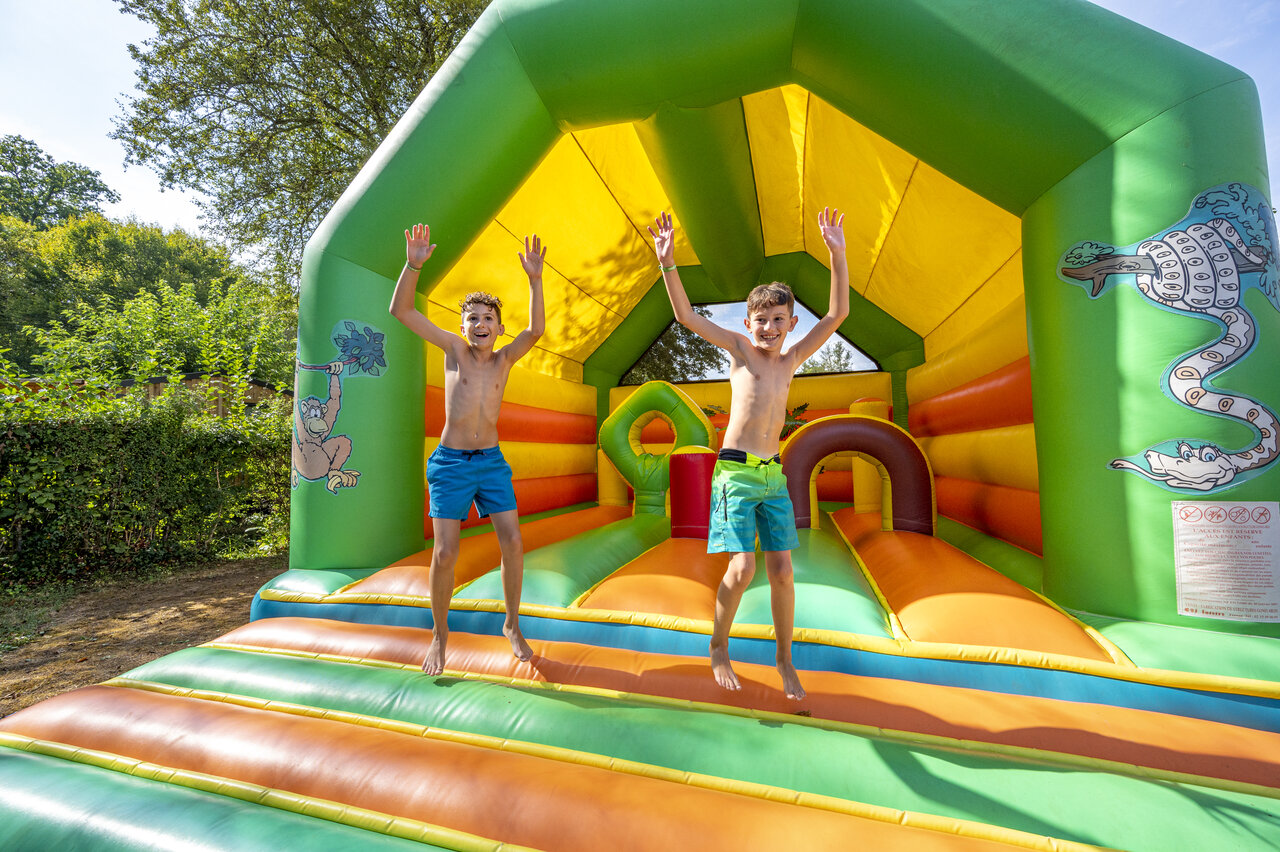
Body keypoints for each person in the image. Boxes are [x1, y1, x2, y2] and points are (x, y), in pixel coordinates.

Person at [648, 208, 849, 700]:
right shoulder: (739, 349)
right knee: (742, 569)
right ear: (748, 322)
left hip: (772, 476)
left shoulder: (795, 357)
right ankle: (719, 645)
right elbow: (686, 316)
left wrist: (837, 255)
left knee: (782, 570)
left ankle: (784, 658)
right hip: (735, 474)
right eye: (761, 320)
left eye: (778, 319)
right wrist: (668, 263)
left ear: (791, 322)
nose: (768, 328)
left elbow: (837, 315)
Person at [389, 223, 546, 675]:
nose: (480, 325)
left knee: (514, 542)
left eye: (488, 319)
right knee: (445, 554)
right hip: (452, 463)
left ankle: (512, 624)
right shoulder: (454, 350)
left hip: (491, 463)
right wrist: (413, 264)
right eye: (472, 319)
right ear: (462, 327)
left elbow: (536, 329)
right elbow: (401, 311)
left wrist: (535, 279)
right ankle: (439, 635)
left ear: (499, 328)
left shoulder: (504, 359)